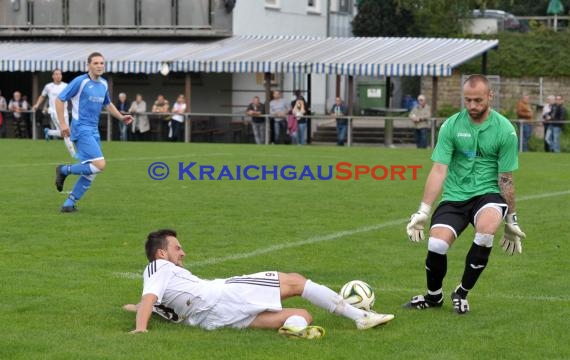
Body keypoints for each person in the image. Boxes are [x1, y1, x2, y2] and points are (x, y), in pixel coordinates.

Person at [123, 229, 394, 338]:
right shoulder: (159, 266)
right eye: (177, 248)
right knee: (296, 282)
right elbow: (149, 299)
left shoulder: (163, 281)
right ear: (161, 253)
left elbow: (150, 302)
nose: (182, 253)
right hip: (222, 293)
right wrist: (141, 329)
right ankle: (360, 317)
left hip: (211, 319)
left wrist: (134, 309)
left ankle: (293, 330)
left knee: (303, 314)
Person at [404, 74, 526, 315]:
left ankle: (461, 293)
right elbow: (439, 169)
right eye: (467, 100)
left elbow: (505, 178)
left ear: (490, 96)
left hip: (488, 194)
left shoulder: (505, 130)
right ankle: (434, 296)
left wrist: (511, 220)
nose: (472, 106)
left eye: (478, 100)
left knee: (486, 231)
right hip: (455, 195)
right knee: (437, 244)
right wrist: (423, 211)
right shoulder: (451, 125)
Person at [54, 52, 133, 213]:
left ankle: (69, 204)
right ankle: (64, 170)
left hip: (93, 129)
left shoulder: (103, 84)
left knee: (92, 170)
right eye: (96, 63)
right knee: (99, 164)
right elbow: (59, 99)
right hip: (80, 128)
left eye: (102, 63)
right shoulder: (80, 81)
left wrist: (121, 117)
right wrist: (63, 124)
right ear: (88, 65)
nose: (99, 66)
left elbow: (108, 104)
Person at [31, 69, 69, 141]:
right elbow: (42, 96)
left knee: (65, 133)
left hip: (65, 112)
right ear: (53, 76)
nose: (58, 76)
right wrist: (37, 105)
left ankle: (49, 132)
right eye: (56, 74)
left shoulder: (66, 86)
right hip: (54, 112)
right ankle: (73, 152)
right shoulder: (48, 86)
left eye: (60, 74)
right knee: (66, 133)